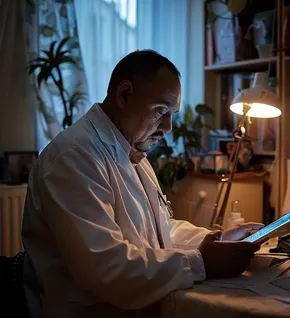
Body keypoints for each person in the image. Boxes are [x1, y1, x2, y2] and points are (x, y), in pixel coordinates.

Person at [22, 50, 263, 318]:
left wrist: (213, 239)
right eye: (161, 111)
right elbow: (107, 268)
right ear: (124, 94)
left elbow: (160, 233)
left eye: (172, 113)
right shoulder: (73, 158)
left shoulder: (132, 152)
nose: (169, 126)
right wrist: (202, 262)